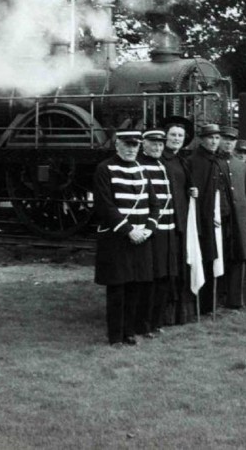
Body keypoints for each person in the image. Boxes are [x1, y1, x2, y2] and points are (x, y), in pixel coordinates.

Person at [93, 130, 158, 346]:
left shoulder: (142, 169)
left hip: (141, 238)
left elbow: (155, 205)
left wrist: (148, 229)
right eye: (127, 145)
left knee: (135, 287)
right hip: (117, 240)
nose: (131, 149)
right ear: (117, 144)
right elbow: (105, 205)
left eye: (135, 145)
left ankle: (129, 332)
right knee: (117, 289)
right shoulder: (105, 168)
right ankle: (115, 336)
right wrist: (129, 230)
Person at [137, 128, 180, 336]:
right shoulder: (140, 165)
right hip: (151, 231)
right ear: (143, 144)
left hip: (168, 231)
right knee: (149, 280)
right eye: (153, 143)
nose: (157, 147)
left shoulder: (162, 164)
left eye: (160, 144)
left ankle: (156, 322)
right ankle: (143, 325)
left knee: (164, 278)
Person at [189, 123, 231, 315]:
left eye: (216, 138)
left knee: (214, 258)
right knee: (203, 259)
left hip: (215, 219)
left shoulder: (217, 161)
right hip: (201, 221)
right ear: (202, 139)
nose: (214, 141)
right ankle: (201, 304)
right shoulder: (195, 161)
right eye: (210, 138)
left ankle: (211, 304)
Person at [160, 115, 195, 325]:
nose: (176, 138)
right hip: (166, 220)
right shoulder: (161, 160)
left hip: (181, 219)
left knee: (181, 266)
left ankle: (180, 313)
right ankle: (165, 313)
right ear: (165, 137)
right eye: (173, 135)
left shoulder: (182, 160)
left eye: (180, 135)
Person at [218, 126, 246, 309]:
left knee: (238, 256)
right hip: (221, 219)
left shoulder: (241, 165)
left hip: (239, 220)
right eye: (225, 139)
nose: (228, 143)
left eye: (231, 140)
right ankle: (217, 298)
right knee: (220, 256)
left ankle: (235, 300)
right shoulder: (214, 162)